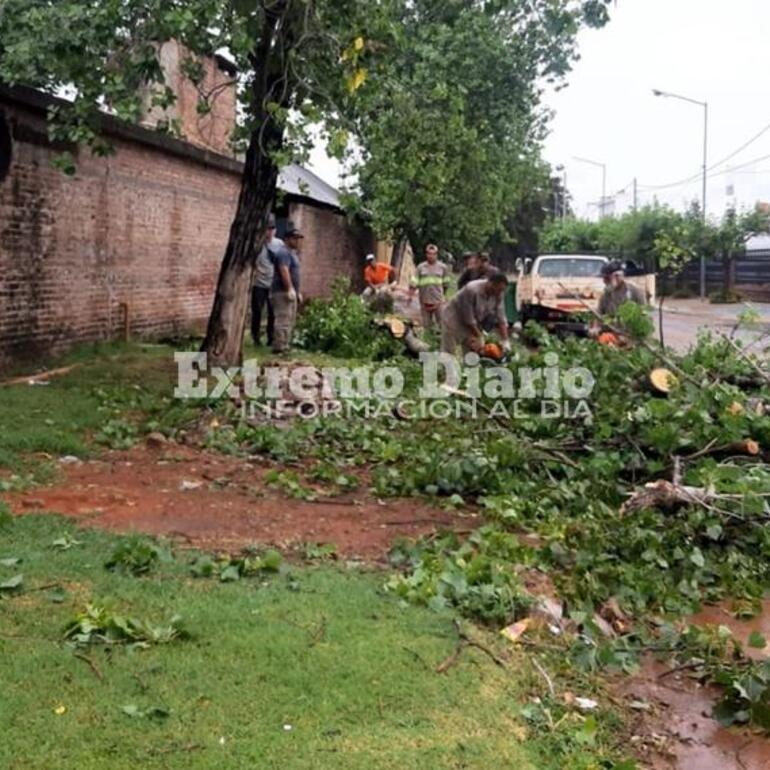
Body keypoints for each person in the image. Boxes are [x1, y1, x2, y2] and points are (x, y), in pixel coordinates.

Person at [441, 273, 511, 355]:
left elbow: (501, 317)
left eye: (502, 290)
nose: (500, 293)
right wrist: (480, 336)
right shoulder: (471, 289)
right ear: (491, 283)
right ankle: (445, 366)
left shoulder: (498, 295)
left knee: (473, 351)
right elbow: (468, 318)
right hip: (453, 318)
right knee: (449, 350)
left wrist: (505, 340)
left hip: (474, 320)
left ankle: (469, 366)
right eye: (499, 289)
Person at [270, 224, 303, 353]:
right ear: (288, 239)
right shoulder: (283, 252)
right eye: (295, 238)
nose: (297, 241)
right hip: (282, 292)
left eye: (298, 238)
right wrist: (289, 288)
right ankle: (279, 347)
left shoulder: (292, 253)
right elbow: (284, 270)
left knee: (290, 320)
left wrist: (297, 291)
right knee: (283, 319)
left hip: (291, 292)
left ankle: (285, 345)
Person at [251, 213, 282, 347]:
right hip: (259, 284)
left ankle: (271, 337)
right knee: (257, 311)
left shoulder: (279, 244)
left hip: (273, 284)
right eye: (267, 229)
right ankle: (256, 337)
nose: (270, 232)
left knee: (273, 313)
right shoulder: (257, 244)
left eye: (272, 229)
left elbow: (282, 264)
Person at [409, 243, 452, 330]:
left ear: (436, 255)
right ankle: (428, 341)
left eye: (433, 254)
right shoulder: (420, 267)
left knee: (442, 324)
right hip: (424, 302)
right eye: (429, 254)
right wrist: (410, 294)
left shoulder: (443, 267)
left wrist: (443, 295)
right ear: (426, 254)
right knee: (427, 326)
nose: (431, 256)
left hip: (438, 302)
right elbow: (414, 282)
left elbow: (446, 284)